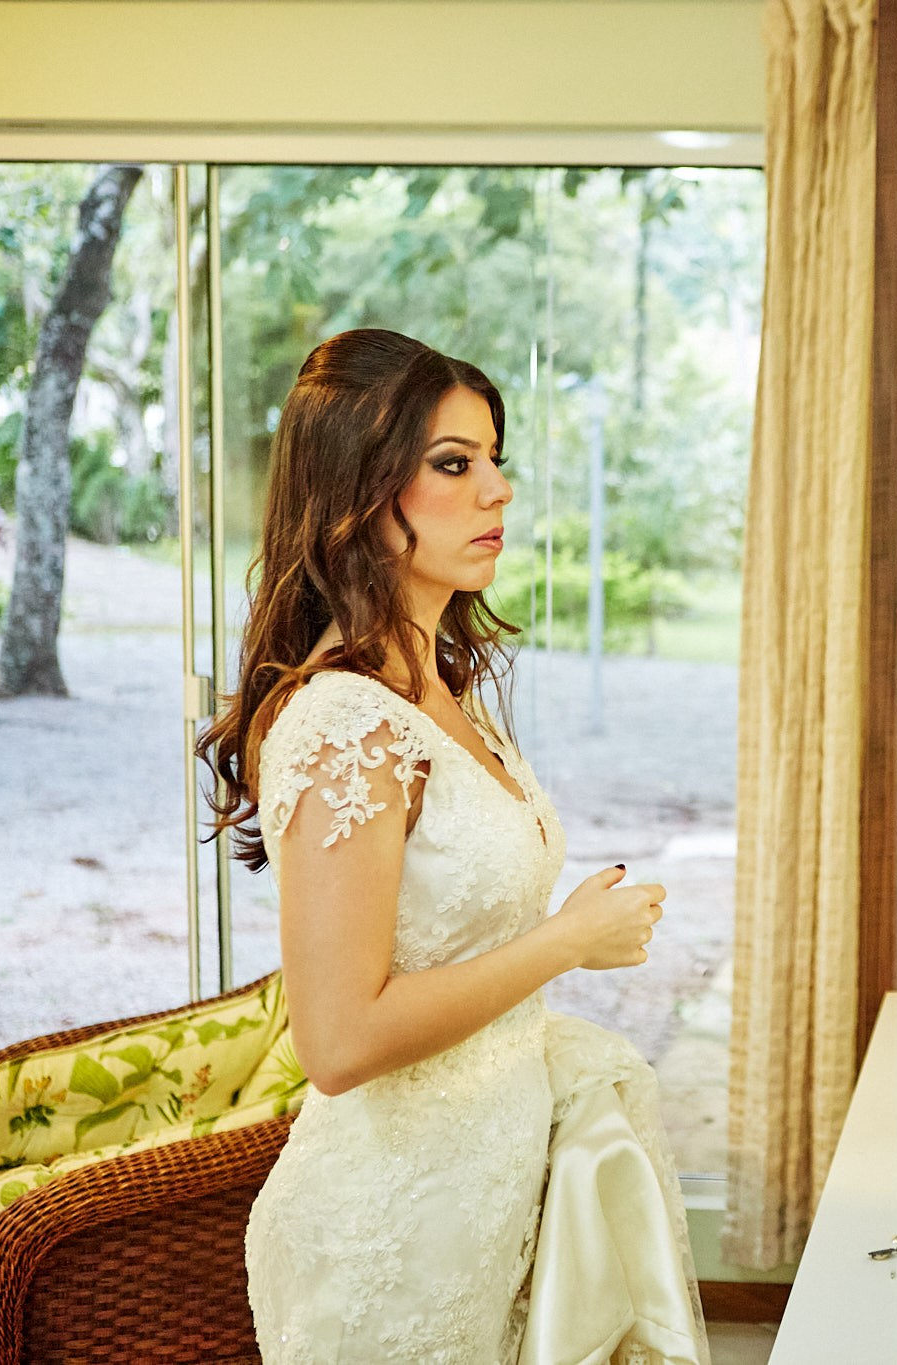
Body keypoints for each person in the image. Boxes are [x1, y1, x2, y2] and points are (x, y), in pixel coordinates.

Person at [196, 328, 712, 1364]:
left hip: (489, 1187)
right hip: (393, 1229)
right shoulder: (344, 722)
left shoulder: (444, 688)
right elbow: (338, 1042)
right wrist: (566, 942)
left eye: (493, 460)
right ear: (357, 484)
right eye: (452, 464)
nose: (497, 492)